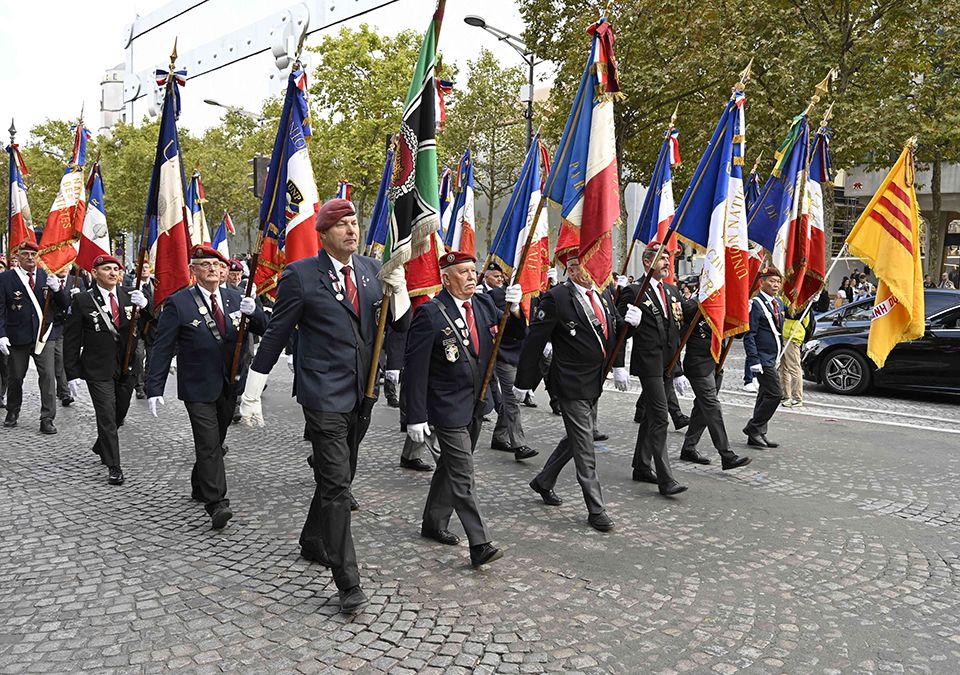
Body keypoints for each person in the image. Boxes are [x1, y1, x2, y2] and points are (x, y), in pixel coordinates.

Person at [238, 198, 410, 615]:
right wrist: (252, 390)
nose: (352, 231)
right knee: (337, 485)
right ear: (324, 232)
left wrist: (401, 293)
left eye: (355, 223)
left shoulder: (371, 270)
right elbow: (277, 334)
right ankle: (347, 581)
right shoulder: (299, 275)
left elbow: (396, 325)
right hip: (322, 394)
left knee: (341, 473)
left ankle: (313, 539)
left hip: (361, 393)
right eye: (342, 225)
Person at [405, 251, 523, 567]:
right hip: (446, 407)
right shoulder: (431, 313)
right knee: (463, 473)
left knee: (449, 469)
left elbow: (509, 337)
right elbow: (415, 368)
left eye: (473, 271)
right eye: (463, 272)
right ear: (446, 278)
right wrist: (415, 416)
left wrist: (516, 309)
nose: (471, 277)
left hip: (475, 403)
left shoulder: (483, 305)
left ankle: (433, 522)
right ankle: (479, 543)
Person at [514, 255, 639, 531]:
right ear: (570, 269)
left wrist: (631, 324)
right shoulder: (557, 297)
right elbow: (535, 340)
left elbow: (614, 331)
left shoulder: (603, 292)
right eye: (583, 266)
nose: (591, 272)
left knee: (574, 438)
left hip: (594, 381)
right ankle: (596, 509)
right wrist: (524, 381)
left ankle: (544, 480)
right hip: (570, 383)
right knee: (584, 445)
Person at [146, 245, 267, 528]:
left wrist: (257, 313)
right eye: (205, 265)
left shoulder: (237, 298)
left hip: (229, 384)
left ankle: (199, 484)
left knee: (217, 440)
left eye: (217, 264)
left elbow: (267, 329)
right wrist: (155, 387)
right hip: (197, 386)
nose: (213, 269)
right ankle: (216, 502)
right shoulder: (179, 303)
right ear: (193, 271)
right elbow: (162, 347)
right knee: (209, 441)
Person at [64, 255, 150, 485]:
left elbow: (149, 328)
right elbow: (71, 339)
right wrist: (71, 373)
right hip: (97, 368)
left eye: (116, 269)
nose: (113, 273)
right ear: (94, 273)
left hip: (127, 366)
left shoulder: (130, 296)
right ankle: (114, 465)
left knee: (119, 413)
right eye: (107, 269)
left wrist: (146, 307)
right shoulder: (82, 300)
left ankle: (101, 444)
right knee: (106, 415)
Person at [614, 243, 688, 497]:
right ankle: (666, 479)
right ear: (647, 262)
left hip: (667, 364)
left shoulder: (672, 291)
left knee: (650, 418)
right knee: (659, 417)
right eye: (662, 259)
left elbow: (675, 332)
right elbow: (621, 330)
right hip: (648, 363)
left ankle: (642, 465)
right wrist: (618, 365)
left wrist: (677, 370)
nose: (667, 263)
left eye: (668, 259)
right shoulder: (634, 291)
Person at [0, 241, 70, 434]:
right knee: (16, 377)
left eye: (33, 254)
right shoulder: (6, 279)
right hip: (17, 336)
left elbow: (64, 305)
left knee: (48, 377)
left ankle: (47, 418)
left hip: (44, 335)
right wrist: (1, 335)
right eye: (26, 254)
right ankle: (13, 410)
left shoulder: (47, 276)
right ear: (17, 256)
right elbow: (1, 310)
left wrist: (57, 289)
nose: (30, 258)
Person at [677, 300, 751, 470]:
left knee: (702, 408)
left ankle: (688, 448)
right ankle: (727, 455)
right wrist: (676, 370)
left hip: (716, 363)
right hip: (699, 366)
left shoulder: (724, 304)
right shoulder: (692, 307)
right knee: (712, 406)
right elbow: (677, 338)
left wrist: (742, 312)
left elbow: (736, 333)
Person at [487, 276, 538, 462]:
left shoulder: (528, 292)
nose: (500, 277)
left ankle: (501, 437)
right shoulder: (493, 295)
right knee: (510, 399)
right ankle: (519, 444)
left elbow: (522, 328)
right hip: (497, 351)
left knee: (511, 399)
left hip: (516, 353)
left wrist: (516, 308)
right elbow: (495, 319)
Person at [743, 267, 785, 448]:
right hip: (761, 358)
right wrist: (753, 360)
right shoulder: (755, 304)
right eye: (772, 281)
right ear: (762, 282)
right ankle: (753, 428)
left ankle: (759, 434)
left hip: (773, 357)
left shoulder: (779, 304)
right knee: (776, 394)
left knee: (764, 395)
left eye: (778, 281)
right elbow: (749, 334)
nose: (775, 285)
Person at [780, 307, 814, 407]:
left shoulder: (803, 303)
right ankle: (786, 394)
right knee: (784, 368)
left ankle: (797, 398)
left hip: (793, 336)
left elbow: (794, 314)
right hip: (785, 334)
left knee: (794, 368)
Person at [130, 261, 155, 400]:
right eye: (141, 268)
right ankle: (138, 386)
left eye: (146, 267)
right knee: (139, 356)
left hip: (151, 326)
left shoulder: (155, 284)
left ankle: (147, 385)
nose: (144, 270)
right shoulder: (129, 284)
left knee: (151, 358)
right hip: (136, 327)